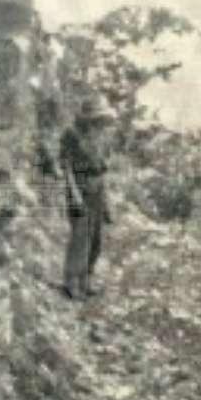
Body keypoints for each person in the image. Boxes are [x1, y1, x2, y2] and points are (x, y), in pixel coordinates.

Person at [59, 96, 115, 300]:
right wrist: (74, 194)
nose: (99, 122)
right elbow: (66, 167)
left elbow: (103, 171)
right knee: (80, 235)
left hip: (97, 188)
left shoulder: (103, 137)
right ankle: (71, 282)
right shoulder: (71, 134)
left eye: (101, 118)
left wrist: (107, 201)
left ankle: (86, 280)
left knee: (96, 237)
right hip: (80, 186)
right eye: (96, 118)